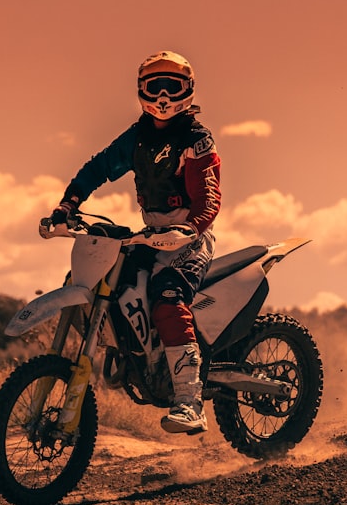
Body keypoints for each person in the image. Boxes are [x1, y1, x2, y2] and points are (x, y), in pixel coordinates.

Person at [48, 51, 221, 434]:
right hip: (151, 234)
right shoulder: (138, 137)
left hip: (191, 237)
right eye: (153, 86)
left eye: (171, 87)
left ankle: (190, 402)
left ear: (187, 91)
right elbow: (98, 167)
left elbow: (209, 197)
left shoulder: (196, 139)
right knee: (109, 281)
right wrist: (68, 204)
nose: (162, 96)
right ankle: (132, 360)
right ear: (141, 90)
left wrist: (189, 229)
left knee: (167, 296)